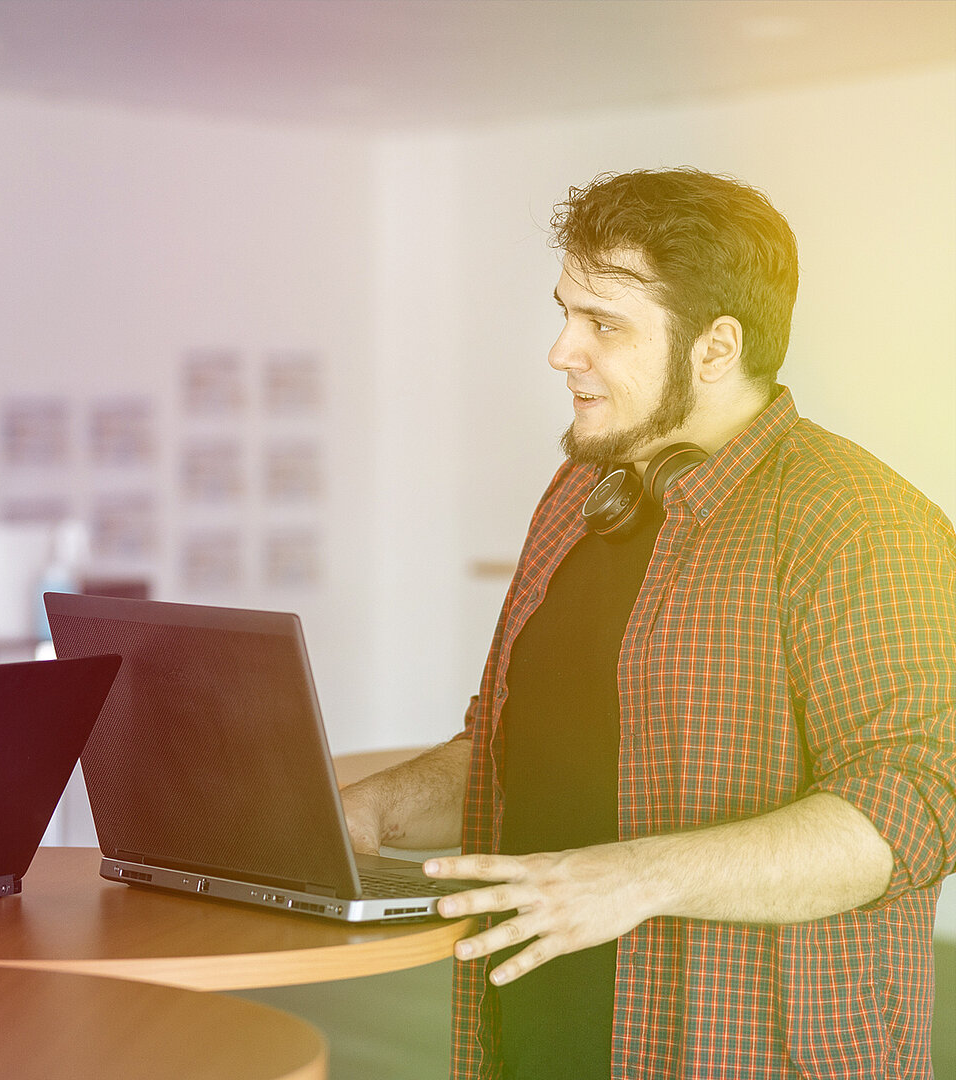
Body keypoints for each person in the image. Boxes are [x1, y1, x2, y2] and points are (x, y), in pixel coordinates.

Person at [341, 170, 956, 1078]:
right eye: (565, 312)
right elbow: (518, 745)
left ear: (715, 349)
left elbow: (917, 805)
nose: (561, 351)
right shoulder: (576, 499)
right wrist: (370, 810)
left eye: (605, 324)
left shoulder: (860, 521)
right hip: (531, 1040)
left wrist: (638, 876)